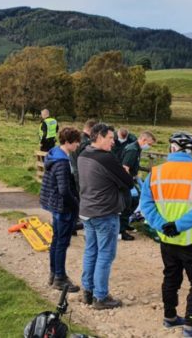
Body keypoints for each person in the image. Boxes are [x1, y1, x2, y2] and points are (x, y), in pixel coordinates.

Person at [140, 131, 192, 338]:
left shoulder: (155, 173)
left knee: (171, 278)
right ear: (191, 151)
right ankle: (191, 326)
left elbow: (145, 204)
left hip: (167, 239)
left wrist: (163, 225)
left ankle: (170, 317)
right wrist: (180, 225)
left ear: (172, 148)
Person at [77, 123, 134, 310]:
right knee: (105, 254)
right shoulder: (106, 158)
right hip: (104, 212)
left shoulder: (83, 153)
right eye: (110, 138)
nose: (113, 142)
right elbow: (128, 183)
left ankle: (87, 291)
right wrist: (124, 175)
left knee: (91, 251)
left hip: (87, 210)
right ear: (99, 137)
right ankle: (101, 296)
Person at [39, 127, 82, 292]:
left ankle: (53, 272)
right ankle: (60, 277)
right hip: (63, 207)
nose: (78, 145)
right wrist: (76, 204)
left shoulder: (54, 153)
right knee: (62, 243)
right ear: (68, 142)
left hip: (54, 204)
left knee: (56, 241)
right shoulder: (63, 162)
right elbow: (64, 190)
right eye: (76, 142)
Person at [70, 119, 96, 193]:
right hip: (82, 174)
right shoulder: (87, 142)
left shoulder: (76, 137)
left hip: (74, 170)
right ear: (91, 129)